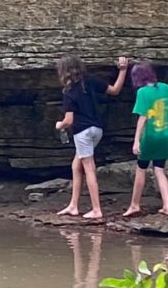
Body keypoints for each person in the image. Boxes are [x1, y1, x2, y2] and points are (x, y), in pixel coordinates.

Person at [55, 54, 130, 220]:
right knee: (76, 165)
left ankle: (96, 209)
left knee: (88, 167)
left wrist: (59, 125)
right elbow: (115, 90)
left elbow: (69, 120)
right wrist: (123, 70)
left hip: (82, 132)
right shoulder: (90, 80)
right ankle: (73, 205)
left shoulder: (68, 92)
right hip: (97, 129)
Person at [123, 63, 168, 218]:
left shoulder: (142, 92)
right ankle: (167, 206)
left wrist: (136, 140)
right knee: (159, 169)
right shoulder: (165, 88)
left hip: (150, 136)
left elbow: (143, 117)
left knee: (141, 168)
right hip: (166, 136)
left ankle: (135, 205)